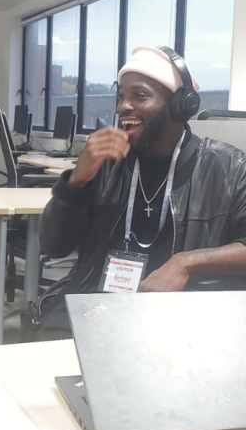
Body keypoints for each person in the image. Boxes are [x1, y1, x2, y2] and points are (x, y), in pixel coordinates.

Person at [36, 46, 246, 334]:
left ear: (179, 105)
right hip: (99, 304)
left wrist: (185, 262)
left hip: (183, 317)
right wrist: (76, 183)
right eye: (121, 96)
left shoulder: (230, 168)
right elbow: (53, 246)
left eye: (140, 95)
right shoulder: (107, 165)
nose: (123, 107)